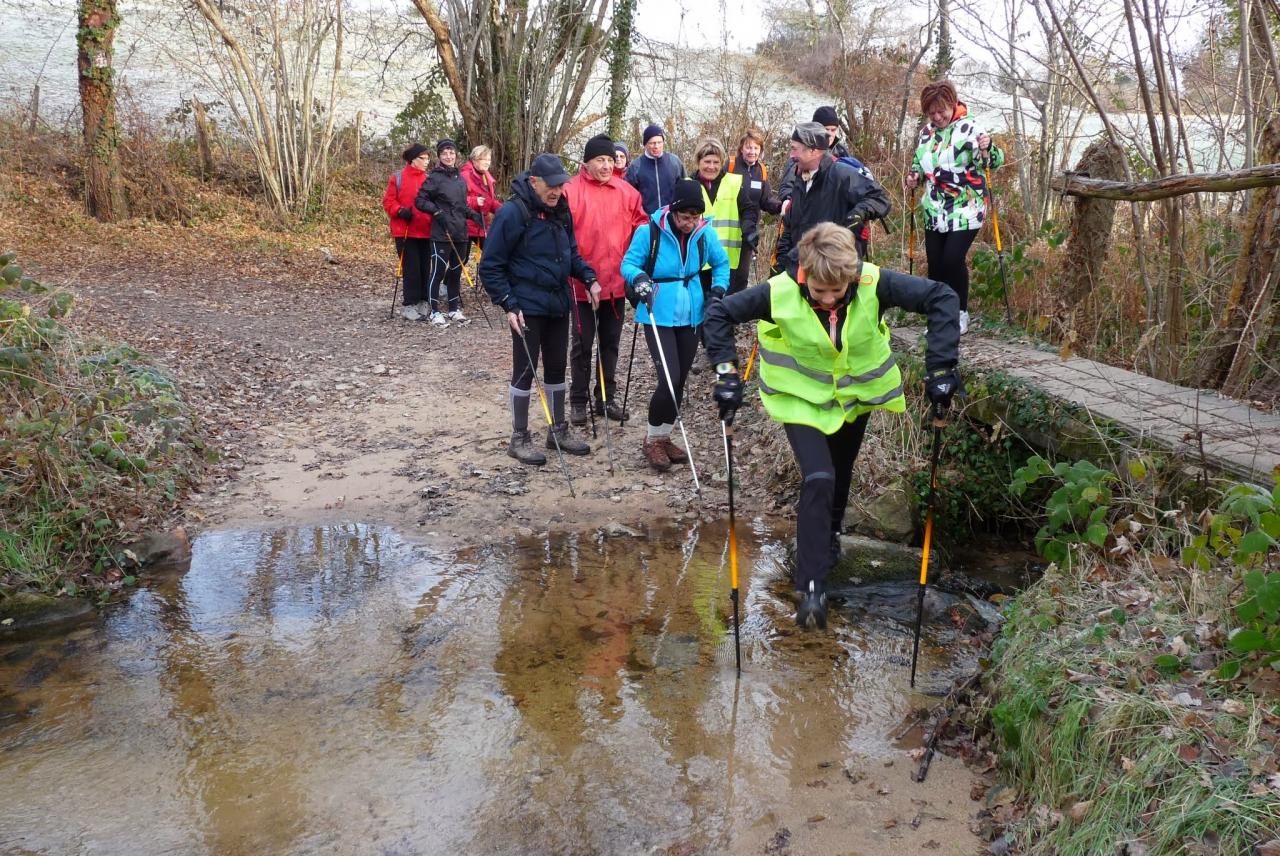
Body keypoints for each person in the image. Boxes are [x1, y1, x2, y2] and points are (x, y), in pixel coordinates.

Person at [703, 222, 961, 629]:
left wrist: (941, 367)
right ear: (805, 273)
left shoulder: (874, 282)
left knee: (840, 475)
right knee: (819, 477)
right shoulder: (781, 290)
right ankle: (811, 586)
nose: (826, 299)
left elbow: (941, 297)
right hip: (799, 399)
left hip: (853, 400)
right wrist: (726, 373)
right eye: (817, 291)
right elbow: (719, 314)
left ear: (852, 276)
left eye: (836, 292)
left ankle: (832, 537)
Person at [479, 153, 598, 465]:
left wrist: (588, 276)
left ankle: (557, 429)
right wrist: (508, 303)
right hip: (525, 308)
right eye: (552, 185)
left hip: (559, 304)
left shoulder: (561, 211)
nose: (557, 190)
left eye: (561, 185)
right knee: (525, 371)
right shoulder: (513, 212)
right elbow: (490, 265)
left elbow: (570, 253)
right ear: (534, 182)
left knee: (557, 368)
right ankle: (518, 437)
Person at [621, 178, 730, 472]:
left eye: (695, 217)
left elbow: (722, 263)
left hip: (692, 314)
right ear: (673, 212)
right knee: (668, 378)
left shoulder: (705, 235)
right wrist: (640, 279)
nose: (690, 223)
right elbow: (628, 264)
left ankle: (664, 436)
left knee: (680, 379)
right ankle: (652, 440)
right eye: (685, 217)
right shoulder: (649, 232)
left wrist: (718, 290)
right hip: (658, 312)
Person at [907, 80, 1003, 335]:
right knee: (936, 264)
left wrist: (989, 148)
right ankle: (940, 315)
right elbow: (919, 161)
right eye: (932, 113)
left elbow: (994, 161)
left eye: (942, 111)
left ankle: (960, 313)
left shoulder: (970, 128)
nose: (937, 117)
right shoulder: (926, 133)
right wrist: (914, 175)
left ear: (952, 104)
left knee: (952, 259)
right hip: (934, 208)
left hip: (966, 207)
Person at [565, 134, 649, 426]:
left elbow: (643, 228)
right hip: (581, 286)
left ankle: (605, 397)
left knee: (611, 343)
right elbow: (562, 236)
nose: (605, 165)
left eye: (610, 160)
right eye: (600, 160)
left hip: (615, 284)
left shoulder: (627, 193)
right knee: (582, 345)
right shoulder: (570, 191)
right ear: (586, 162)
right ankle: (578, 400)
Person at [773, 122, 891, 271]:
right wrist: (780, 266)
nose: (791, 155)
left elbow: (880, 199)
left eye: (794, 149)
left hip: (833, 271)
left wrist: (857, 214)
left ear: (813, 151)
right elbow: (790, 226)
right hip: (803, 268)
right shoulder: (801, 177)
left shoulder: (842, 175)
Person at [415, 138, 483, 327]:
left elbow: (460, 206)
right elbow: (420, 201)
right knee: (437, 272)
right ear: (439, 156)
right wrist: (437, 212)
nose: (448, 156)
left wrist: (474, 215)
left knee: (455, 272)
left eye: (451, 152)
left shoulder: (460, 178)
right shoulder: (434, 178)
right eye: (444, 153)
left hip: (460, 233)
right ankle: (434, 311)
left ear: (456, 155)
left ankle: (454, 309)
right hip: (441, 233)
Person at [727, 127, 783, 295]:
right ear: (741, 148)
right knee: (725, 272)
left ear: (761, 150)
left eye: (756, 148)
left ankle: (736, 312)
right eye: (748, 147)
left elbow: (765, 201)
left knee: (742, 275)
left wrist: (783, 207)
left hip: (749, 232)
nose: (752, 151)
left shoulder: (761, 170)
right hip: (727, 229)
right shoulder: (730, 165)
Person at [381, 143, 433, 321]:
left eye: (428, 158)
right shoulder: (398, 177)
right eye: (423, 158)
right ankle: (409, 304)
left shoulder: (429, 179)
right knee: (411, 268)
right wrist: (400, 211)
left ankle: (424, 301)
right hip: (405, 230)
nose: (426, 161)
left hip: (426, 230)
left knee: (426, 267)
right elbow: (388, 202)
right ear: (412, 160)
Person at [624, 124, 686, 215]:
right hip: (646, 221)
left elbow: (685, 189)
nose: (656, 146)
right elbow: (628, 196)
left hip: (672, 219)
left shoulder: (675, 162)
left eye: (659, 142)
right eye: (652, 143)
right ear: (645, 144)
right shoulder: (635, 166)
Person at [461, 145, 502, 259]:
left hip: (482, 224)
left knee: (493, 254)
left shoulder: (486, 177)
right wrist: (474, 201)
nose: (487, 162)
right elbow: (457, 200)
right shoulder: (464, 176)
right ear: (474, 160)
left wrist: (504, 210)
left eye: (489, 159)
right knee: (461, 261)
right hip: (466, 225)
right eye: (484, 159)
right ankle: (451, 277)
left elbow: (490, 201)